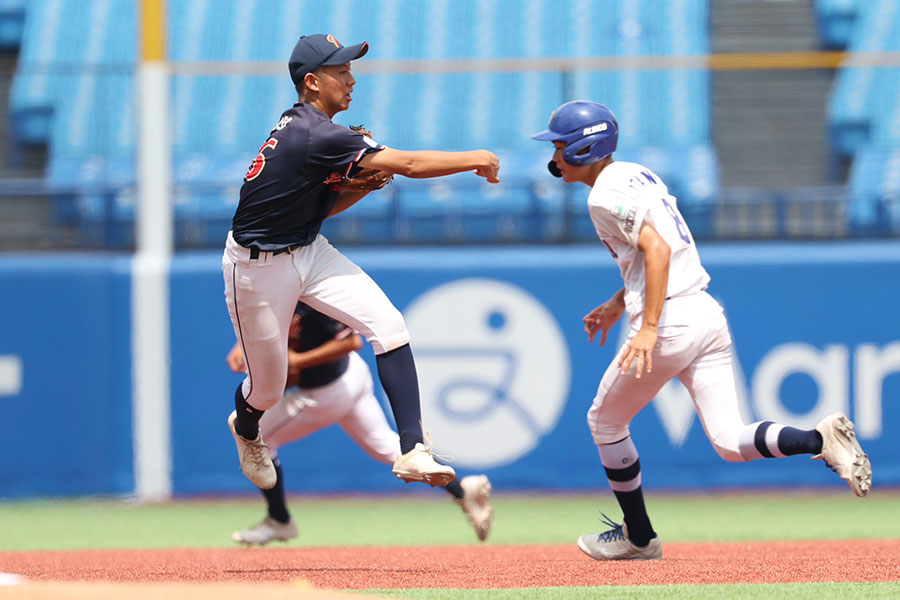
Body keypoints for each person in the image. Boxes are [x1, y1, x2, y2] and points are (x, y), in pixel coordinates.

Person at [531, 100, 872, 561]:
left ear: (582, 148)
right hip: (706, 313)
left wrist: (648, 327)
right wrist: (618, 303)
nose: (553, 156)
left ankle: (639, 537)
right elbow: (655, 252)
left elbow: (657, 251)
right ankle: (818, 439)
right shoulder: (635, 174)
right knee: (730, 441)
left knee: (604, 422)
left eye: (559, 146)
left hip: (670, 322)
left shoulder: (601, 197)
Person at [223, 34, 500, 492]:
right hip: (256, 268)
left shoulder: (316, 132)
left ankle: (412, 448)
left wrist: (361, 188)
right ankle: (247, 427)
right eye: (341, 71)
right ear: (312, 82)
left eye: (350, 69)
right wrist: (477, 158)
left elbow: (318, 212)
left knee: (389, 325)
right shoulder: (315, 133)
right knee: (268, 389)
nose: (351, 79)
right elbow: (410, 164)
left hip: (307, 248)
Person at [226, 302, 494, 545]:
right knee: (386, 447)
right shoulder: (267, 291)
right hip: (351, 377)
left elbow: (352, 341)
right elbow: (264, 321)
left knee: (254, 434)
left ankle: (279, 520)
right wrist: (242, 345)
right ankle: (462, 488)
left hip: (328, 390)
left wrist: (299, 361)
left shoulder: (306, 294)